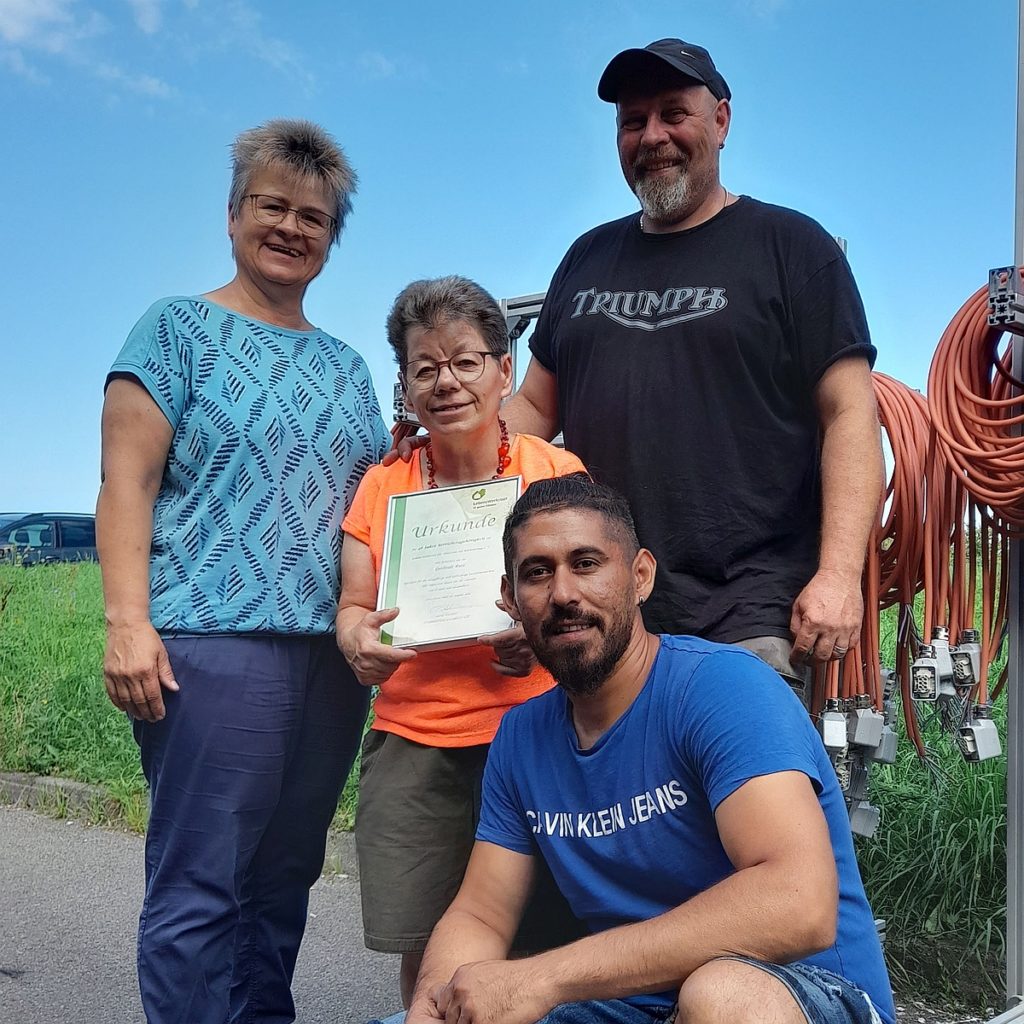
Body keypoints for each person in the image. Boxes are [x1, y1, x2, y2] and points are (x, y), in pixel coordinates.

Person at [393, 39, 883, 696]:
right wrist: (445, 454)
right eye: (633, 122)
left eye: (673, 113)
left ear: (722, 121)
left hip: (749, 610)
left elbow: (850, 412)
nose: (652, 136)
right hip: (600, 607)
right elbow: (535, 409)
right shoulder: (587, 258)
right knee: (615, 799)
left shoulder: (792, 247)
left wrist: (839, 575)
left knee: (745, 794)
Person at [394, 473, 895, 1024]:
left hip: (802, 992)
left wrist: (542, 977)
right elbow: (482, 916)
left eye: (586, 563)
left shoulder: (724, 689)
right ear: (511, 599)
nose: (563, 593)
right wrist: (433, 1003)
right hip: (634, 1005)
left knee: (719, 999)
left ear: (640, 577)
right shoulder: (520, 738)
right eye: (537, 573)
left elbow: (800, 903)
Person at [97, 118, 390, 1024]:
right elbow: (126, 484)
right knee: (203, 881)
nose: (293, 228)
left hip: (331, 660)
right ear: (233, 214)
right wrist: (127, 621)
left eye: (315, 217)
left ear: (332, 239)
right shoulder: (174, 330)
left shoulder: (346, 367)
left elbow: (377, 501)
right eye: (273, 206)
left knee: (285, 875)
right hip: (213, 648)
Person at [338, 276, 587, 1007]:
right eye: (424, 367)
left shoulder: (556, 474)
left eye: (465, 362)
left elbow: (593, 605)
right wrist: (358, 641)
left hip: (540, 735)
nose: (445, 382)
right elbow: (353, 605)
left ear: (504, 371)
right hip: (416, 742)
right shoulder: (383, 486)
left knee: (550, 938)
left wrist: (542, 641)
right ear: (407, 386)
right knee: (429, 945)